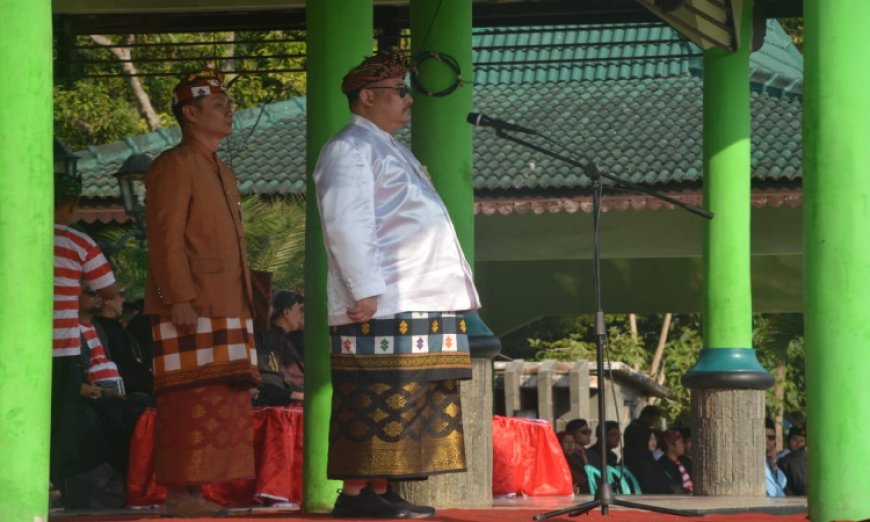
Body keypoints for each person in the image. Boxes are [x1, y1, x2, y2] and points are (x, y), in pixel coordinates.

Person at [313, 48, 481, 519]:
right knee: (377, 396)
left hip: (416, 296)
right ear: (367, 96)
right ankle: (353, 497)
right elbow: (347, 222)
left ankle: (379, 489)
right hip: (386, 298)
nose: (408, 100)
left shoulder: (389, 147)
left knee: (411, 396)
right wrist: (363, 286)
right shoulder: (349, 147)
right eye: (399, 92)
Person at [144, 68, 260, 517]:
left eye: (227, 104)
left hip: (229, 300)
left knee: (224, 398)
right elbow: (164, 237)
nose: (229, 111)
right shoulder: (173, 164)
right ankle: (177, 495)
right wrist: (178, 296)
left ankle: (197, 493)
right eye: (217, 106)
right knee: (186, 400)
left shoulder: (222, 169)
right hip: (191, 303)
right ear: (190, 114)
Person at [51, 171, 121, 502]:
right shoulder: (79, 242)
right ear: (72, 204)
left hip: (17, 346)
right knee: (65, 418)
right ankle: (61, 485)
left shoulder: (15, 235)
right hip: (63, 347)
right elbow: (108, 289)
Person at [254, 290, 305, 406]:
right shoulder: (272, 337)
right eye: (299, 311)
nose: (302, 316)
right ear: (286, 312)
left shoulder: (290, 336)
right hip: (283, 393)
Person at [623, 405, 661, 471]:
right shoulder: (635, 430)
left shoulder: (642, 429)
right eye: (654, 420)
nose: (654, 423)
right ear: (646, 417)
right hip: (636, 465)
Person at [658, 429, 693, 494]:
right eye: (681, 442)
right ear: (671, 446)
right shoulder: (663, 465)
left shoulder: (683, 461)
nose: (683, 445)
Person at [778, 426, 808, 496]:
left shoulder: (803, 457)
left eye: (802, 441)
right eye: (795, 440)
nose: (798, 444)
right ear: (789, 440)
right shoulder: (783, 457)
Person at [558, 431, 589, 495]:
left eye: (573, 442)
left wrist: (583, 455)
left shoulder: (577, 458)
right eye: (566, 442)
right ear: (559, 443)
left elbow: (589, 475)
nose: (570, 445)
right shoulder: (558, 461)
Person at [765, 419, 787, 497]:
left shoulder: (770, 461)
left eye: (771, 438)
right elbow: (772, 491)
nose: (767, 441)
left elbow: (782, 483)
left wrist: (773, 464)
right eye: (763, 436)